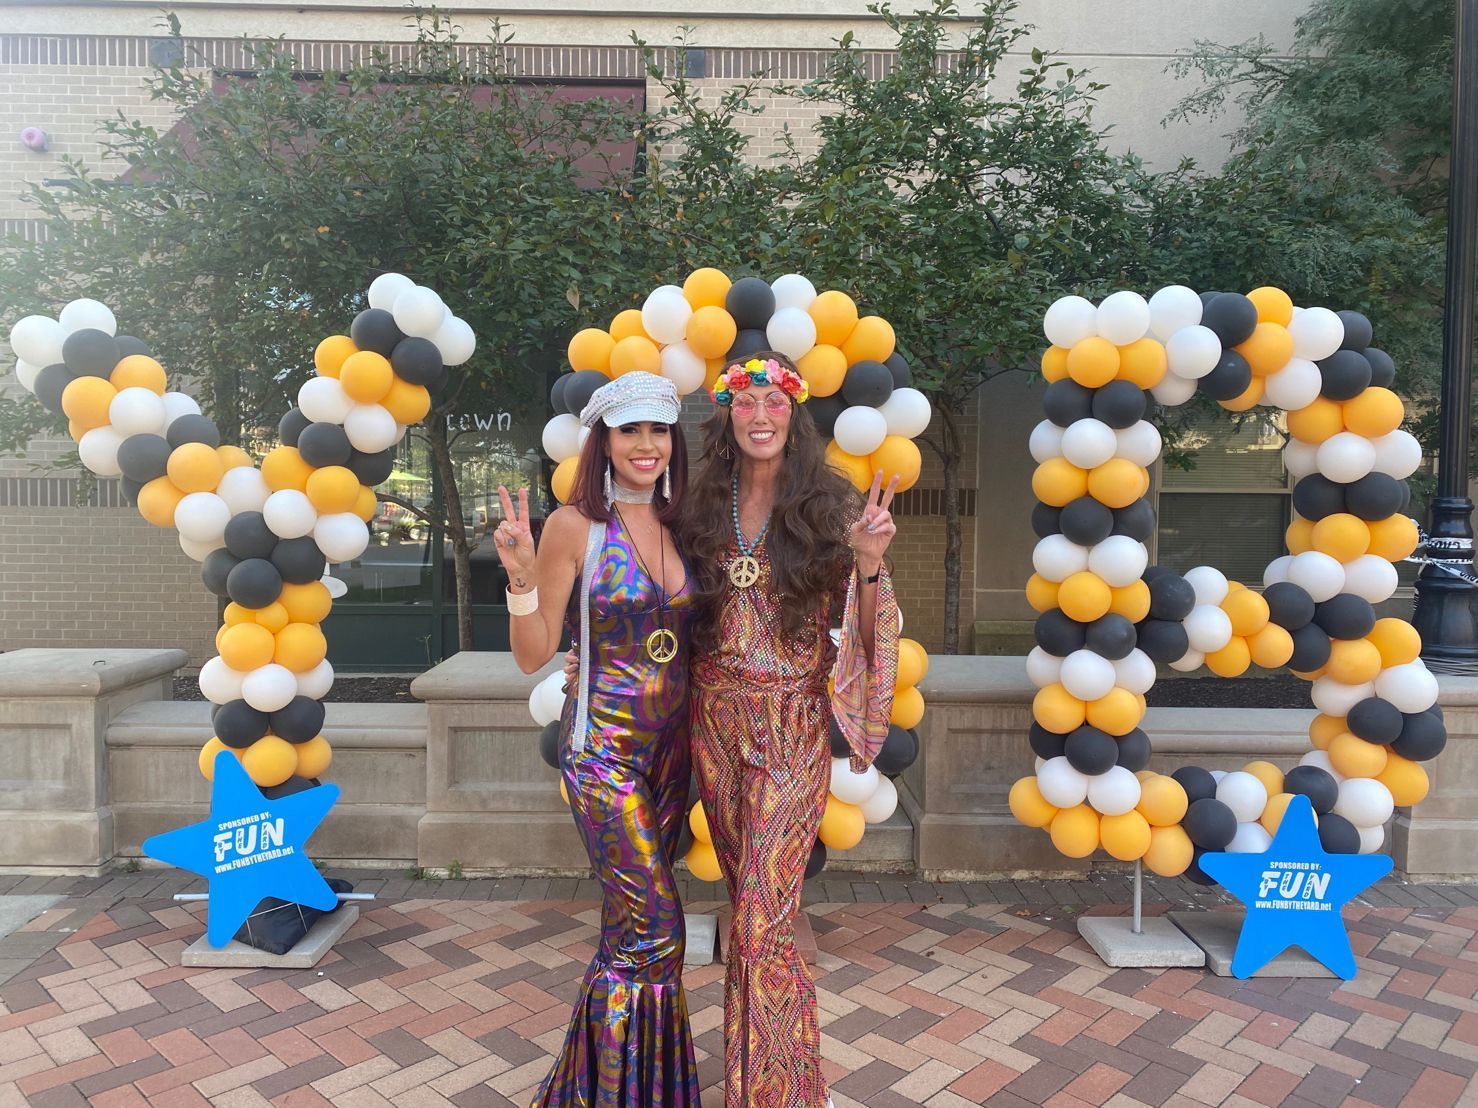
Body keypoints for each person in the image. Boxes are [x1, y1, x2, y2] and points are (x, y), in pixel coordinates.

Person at [681, 352, 900, 1107]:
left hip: (791, 728)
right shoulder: (701, 502)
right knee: (746, 914)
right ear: (728, 415)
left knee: (766, 924)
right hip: (715, 723)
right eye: (747, 404)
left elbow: (869, 640)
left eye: (775, 402)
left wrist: (869, 565)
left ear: (795, 415)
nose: (762, 416)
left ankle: (782, 1095)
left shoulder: (831, 511)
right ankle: (755, 1081)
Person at [493, 371, 702, 1107]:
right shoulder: (573, 526)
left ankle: (605, 1091)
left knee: (627, 938)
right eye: (629, 431)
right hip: (604, 752)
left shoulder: (689, 523)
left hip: (673, 757)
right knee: (657, 933)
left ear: (674, 439)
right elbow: (533, 651)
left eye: (658, 430)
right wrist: (520, 578)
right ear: (603, 441)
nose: (645, 445)